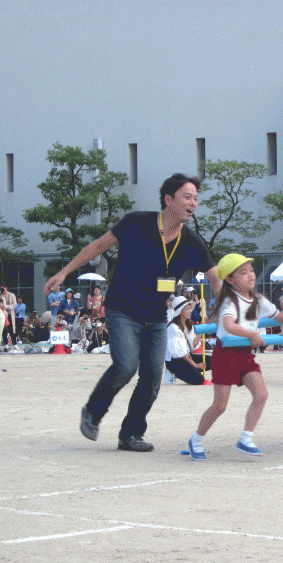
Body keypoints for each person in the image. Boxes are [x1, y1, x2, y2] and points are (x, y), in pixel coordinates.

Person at [45, 172, 220, 453]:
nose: (193, 203)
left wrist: (223, 308)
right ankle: (92, 411)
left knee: (152, 378)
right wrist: (65, 272)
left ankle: (131, 434)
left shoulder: (192, 242)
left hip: (156, 317)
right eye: (187, 197)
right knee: (126, 365)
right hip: (122, 309)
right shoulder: (135, 223)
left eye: (196, 199)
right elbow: (97, 247)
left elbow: (215, 278)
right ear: (168, 199)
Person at [187, 254, 283, 459]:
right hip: (225, 355)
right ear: (229, 279)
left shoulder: (258, 299)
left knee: (261, 394)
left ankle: (246, 438)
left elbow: (280, 317)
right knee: (220, 406)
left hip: (245, 355)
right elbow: (229, 325)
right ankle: (196, 439)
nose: (251, 276)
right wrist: (252, 334)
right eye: (243, 272)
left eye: (251, 271)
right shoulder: (230, 300)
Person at [165, 295, 211, 385]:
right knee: (199, 380)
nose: (190, 311)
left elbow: (192, 346)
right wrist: (196, 365)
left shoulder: (188, 325)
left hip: (187, 356)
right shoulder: (173, 328)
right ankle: (173, 372)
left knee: (213, 360)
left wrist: (201, 332)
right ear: (180, 311)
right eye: (187, 309)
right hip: (175, 361)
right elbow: (182, 354)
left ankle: (185, 372)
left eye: (190, 308)